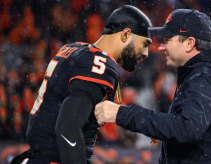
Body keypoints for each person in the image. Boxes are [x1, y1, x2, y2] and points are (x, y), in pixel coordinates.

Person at [95, 9, 211, 164]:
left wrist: (121, 113)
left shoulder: (204, 78)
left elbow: (187, 129)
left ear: (189, 43)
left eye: (167, 40)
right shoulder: (206, 73)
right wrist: (165, 130)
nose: (161, 47)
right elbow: (194, 128)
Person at [10, 5, 152, 164]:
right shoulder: (101, 64)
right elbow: (68, 128)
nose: (146, 53)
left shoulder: (72, 49)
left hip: (38, 156)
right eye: (144, 44)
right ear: (126, 34)